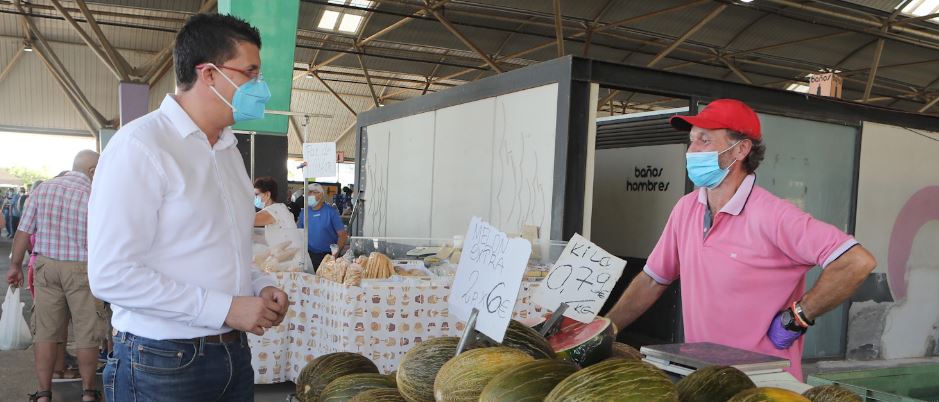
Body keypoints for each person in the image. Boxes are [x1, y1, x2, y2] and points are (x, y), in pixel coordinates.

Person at [87, 13, 288, 402]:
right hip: (163, 360)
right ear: (209, 73)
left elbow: (221, 248)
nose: (260, 88)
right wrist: (225, 308)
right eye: (250, 73)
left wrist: (260, 286)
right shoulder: (142, 147)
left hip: (232, 353)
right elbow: (112, 274)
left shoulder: (229, 151)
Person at [605, 99, 876, 380]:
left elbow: (856, 262)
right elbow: (653, 279)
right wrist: (605, 330)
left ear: (741, 149)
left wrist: (798, 316)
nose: (692, 151)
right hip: (705, 378)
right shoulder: (686, 209)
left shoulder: (773, 215)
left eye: (704, 140)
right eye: (692, 141)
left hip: (763, 384)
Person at [6, 150, 104, 402]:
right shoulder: (94, 195)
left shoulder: (43, 189)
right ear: (92, 171)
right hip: (82, 269)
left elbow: (23, 231)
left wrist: (15, 266)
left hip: (46, 267)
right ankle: (89, 393)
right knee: (86, 332)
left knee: (46, 332)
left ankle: (43, 394)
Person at [297, 183, 347, 270]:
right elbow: (298, 233)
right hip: (308, 255)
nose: (308, 195)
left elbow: (342, 235)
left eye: (311, 192)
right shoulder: (304, 213)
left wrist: (334, 255)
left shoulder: (331, 212)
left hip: (327, 256)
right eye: (307, 193)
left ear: (320, 195)